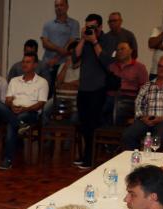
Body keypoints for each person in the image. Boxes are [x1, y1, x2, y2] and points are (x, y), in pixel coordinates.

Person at [72, 14, 116, 170]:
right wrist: (84, 39)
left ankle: (89, 158)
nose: (90, 29)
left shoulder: (107, 40)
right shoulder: (85, 41)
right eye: (88, 26)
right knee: (83, 123)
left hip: (98, 89)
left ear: (100, 27)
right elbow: (74, 59)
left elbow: (106, 62)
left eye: (93, 27)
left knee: (92, 124)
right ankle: (85, 155)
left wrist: (95, 41)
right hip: (83, 88)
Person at [0, 54, 48, 170]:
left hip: (30, 113)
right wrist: (11, 105)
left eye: (28, 62)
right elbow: (7, 100)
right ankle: (20, 124)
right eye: (23, 62)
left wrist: (24, 109)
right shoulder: (14, 80)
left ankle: (8, 159)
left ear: (35, 65)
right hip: (13, 111)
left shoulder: (42, 82)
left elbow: (40, 104)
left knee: (13, 123)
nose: (24, 64)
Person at [121, 55, 163, 151]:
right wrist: (143, 117)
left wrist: (162, 118)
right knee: (128, 135)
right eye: (159, 66)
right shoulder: (147, 85)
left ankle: (154, 164)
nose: (161, 69)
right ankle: (135, 160)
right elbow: (138, 103)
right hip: (145, 120)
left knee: (158, 137)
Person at [41, 0, 80, 89]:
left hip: (64, 65)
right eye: (56, 6)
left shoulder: (74, 24)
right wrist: (60, 50)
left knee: (59, 90)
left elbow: (72, 43)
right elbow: (45, 43)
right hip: (47, 63)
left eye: (61, 5)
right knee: (46, 91)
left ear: (67, 6)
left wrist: (56, 58)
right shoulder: (48, 24)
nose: (58, 8)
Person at [107, 42, 148, 124]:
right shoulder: (111, 66)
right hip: (111, 97)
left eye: (122, 49)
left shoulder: (139, 67)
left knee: (116, 106)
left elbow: (145, 89)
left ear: (131, 51)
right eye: (117, 50)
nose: (119, 51)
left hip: (129, 99)